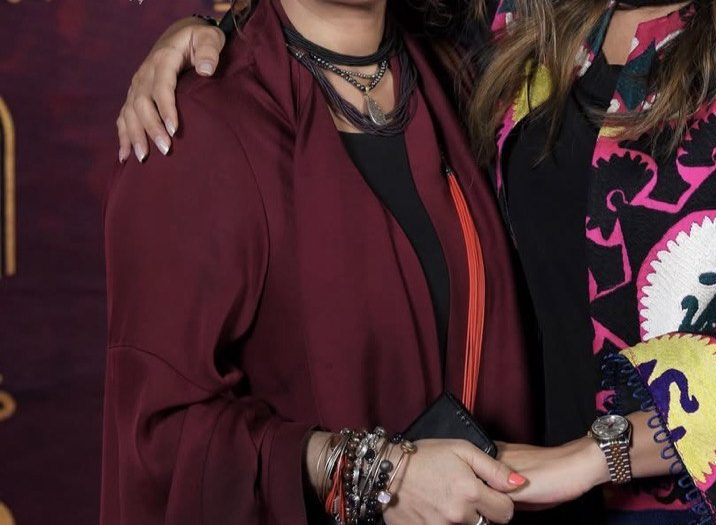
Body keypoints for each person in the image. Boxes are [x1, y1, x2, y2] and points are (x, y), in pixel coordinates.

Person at [113, 0, 716, 524]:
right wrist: (210, 34)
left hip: (713, 506)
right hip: (525, 505)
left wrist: (587, 457)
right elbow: (335, 32)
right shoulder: (529, 21)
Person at [102, 0, 542, 524]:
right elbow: (161, 442)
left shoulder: (472, 81)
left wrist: (605, 452)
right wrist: (365, 472)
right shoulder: (196, 128)